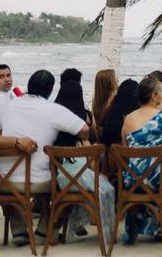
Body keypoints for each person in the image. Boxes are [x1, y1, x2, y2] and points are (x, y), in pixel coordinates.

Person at [0, 70, 89, 246]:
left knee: (10, 176)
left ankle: (19, 230)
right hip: (37, 182)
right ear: (51, 89)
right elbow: (84, 129)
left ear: (29, 85)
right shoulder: (53, 110)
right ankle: (45, 230)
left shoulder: (9, 105)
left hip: (3, 181)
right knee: (68, 185)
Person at [120, 76, 162, 243]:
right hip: (160, 178)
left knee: (147, 179)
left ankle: (139, 227)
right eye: (160, 93)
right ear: (154, 96)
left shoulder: (128, 119)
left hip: (133, 178)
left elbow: (125, 150)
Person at [52, 80, 116, 240]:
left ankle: (69, 224)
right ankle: (106, 231)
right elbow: (92, 165)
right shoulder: (84, 122)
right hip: (82, 179)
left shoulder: (54, 124)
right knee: (106, 186)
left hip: (60, 180)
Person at [99, 79, 139, 149]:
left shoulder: (111, 114)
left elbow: (106, 139)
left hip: (115, 156)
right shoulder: (140, 118)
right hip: (137, 156)